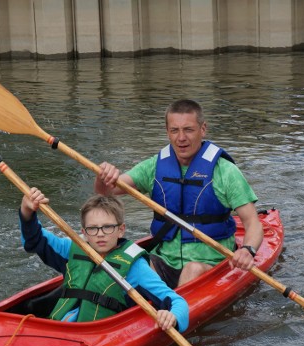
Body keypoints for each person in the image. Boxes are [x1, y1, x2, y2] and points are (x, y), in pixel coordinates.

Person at [94, 99, 263, 288]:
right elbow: (107, 192)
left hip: (209, 264)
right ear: (167, 132)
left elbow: (253, 224)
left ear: (203, 129)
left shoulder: (225, 171)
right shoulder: (154, 167)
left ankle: (176, 311)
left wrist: (247, 250)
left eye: (188, 130)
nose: (181, 138)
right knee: (134, 266)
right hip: (164, 261)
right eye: (174, 130)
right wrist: (104, 176)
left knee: (192, 270)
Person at [19, 188, 189, 332]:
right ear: (84, 232)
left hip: (95, 337)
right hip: (56, 329)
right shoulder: (70, 249)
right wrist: (27, 212)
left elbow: (176, 301)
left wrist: (171, 316)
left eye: (107, 227)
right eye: (93, 228)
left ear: (121, 230)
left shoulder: (135, 268)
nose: (100, 234)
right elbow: (35, 240)